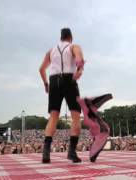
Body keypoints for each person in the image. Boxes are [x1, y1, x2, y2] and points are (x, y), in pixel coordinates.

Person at [39, 28, 85, 163]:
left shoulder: (51, 51)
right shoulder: (74, 46)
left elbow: (41, 69)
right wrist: (79, 70)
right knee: (76, 115)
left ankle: (46, 154)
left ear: (61, 37)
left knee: (53, 116)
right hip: (69, 79)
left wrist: (46, 83)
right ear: (70, 37)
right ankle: (71, 152)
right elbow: (79, 59)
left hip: (53, 80)